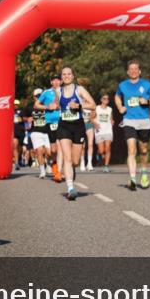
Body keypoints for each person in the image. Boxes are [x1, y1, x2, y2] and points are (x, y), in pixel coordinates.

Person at [52, 66, 95, 200]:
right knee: (67, 158)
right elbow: (56, 104)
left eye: (69, 74)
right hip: (63, 126)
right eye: (64, 74)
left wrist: (79, 106)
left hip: (78, 126)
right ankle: (71, 188)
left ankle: (72, 170)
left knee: (75, 161)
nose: (66, 76)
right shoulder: (58, 91)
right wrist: (54, 106)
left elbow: (93, 105)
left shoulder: (79, 89)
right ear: (61, 77)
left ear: (73, 75)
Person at [115, 60, 150, 190]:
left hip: (144, 121)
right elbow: (117, 97)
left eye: (136, 69)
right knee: (131, 149)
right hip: (129, 120)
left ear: (139, 71)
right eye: (131, 69)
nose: (133, 71)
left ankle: (144, 173)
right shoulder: (123, 85)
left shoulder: (146, 84)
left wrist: (147, 101)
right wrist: (120, 107)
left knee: (144, 150)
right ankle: (133, 178)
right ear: (128, 72)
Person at [35, 75, 63, 182]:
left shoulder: (65, 91)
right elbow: (36, 105)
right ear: (51, 82)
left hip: (62, 120)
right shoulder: (46, 92)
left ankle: (59, 172)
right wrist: (47, 107)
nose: (56, 82)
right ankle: (53, 164)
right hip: (50, 122)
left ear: (60, 82)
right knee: (54, 150)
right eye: (54, 80)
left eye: (58, 80)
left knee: (62, 145)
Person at [29, 87, 52, 179]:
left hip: (48, 132)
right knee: (39, 151)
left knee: (50, 152)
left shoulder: (49, 105)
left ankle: (49, 164)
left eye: (40, 95)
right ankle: (42, 171)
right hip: (36, 132)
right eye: (37, 96)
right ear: (34, 97)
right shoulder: (30, 107)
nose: (39, 97)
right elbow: (22, 117)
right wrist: (28, 119)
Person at [93, 93, 115, 172]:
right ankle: (99, 153)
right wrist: (95, 123)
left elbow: (111, 119)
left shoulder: (110, 109)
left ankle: (106, 166)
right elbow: (91, 118)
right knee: (102, 150)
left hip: (108, 131)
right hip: (99, 131)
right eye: (104, 99)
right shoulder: (97, 108)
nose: (106, 100)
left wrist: (112, 121)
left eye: (108, 99)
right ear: (101, 100)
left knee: (108, 147)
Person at [12, 99, 25, 170]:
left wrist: (22, 119)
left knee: (20, 148)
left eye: (16, 104)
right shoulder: (10, 111)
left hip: (21, 131)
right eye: (14, 104)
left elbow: (24, 118)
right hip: (14, 131)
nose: (15, 106)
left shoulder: (22, 111)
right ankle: (16, 163)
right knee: (15, 146)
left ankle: (20, 157)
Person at [83, 104, 96, 172]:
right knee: (82, 145)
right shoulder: (78, 103)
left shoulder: (91, 105)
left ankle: (89, 163)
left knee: (90, 144)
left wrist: (92, 114)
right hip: (81, 125)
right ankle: (82, 162)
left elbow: (94, 114)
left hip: (89, 124)